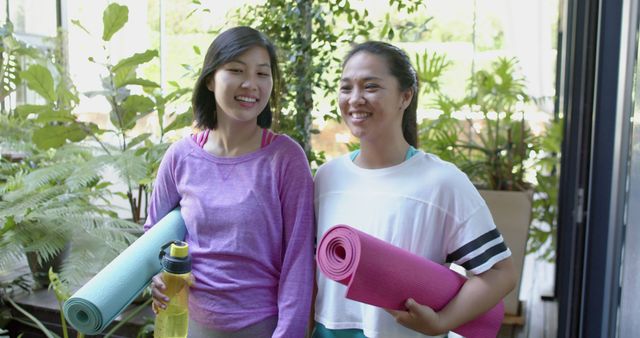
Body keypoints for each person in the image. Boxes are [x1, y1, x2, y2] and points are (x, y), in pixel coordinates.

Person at [312, 41, 517, 338]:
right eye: (346, 88)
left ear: (405, 96)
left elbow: (501, 273)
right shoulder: (327, 177)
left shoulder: (442, 181)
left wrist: (442, 322)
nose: (355, 99)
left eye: (370, 86)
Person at [146, 26, 315, 338]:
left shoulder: (285, 158)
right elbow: (152, 238)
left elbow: (299, 260)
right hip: (187, 323)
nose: (251, 84)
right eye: (236, 70)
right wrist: (154, 277)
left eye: (263, 74)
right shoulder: (180, 156)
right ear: (210, 79)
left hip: (262, 327)